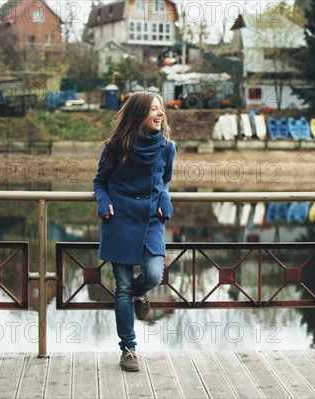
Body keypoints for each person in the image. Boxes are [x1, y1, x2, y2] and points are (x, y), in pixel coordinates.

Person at [93, 92, 176, 372]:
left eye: (161, 108)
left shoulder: (167, 146)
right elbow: (99, 182)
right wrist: (103, 203)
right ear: (139, 113)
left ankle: (141, 294)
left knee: (154, 274)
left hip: (152, 221)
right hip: (119, 222)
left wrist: (164, 197)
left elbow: (165, 180)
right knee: (123, 287)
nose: (160, 113)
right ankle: (128, 348)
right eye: (154, 108)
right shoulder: (115, 146)